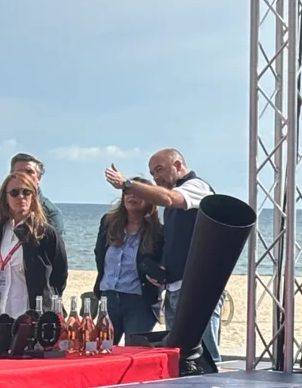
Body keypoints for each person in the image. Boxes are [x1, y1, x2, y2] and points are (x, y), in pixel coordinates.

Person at [104, 149, 219, 375]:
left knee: (205, 354)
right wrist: (163, 267)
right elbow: (176, 241)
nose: (156, 177)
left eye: (159, 170)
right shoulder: (171, 207)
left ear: (178, 165)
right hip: (175, 288)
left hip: (199, 288)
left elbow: (168, 198)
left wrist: (127, 184)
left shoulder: (196, 187)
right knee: (180, 355)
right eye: (152, 174)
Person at [0, 172, 68, 325]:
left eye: (26, 192)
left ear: (33, 196)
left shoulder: (45, 233)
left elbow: (59, 275)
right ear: (6, 198)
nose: (21, 197)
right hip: (2, 314)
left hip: (33, 316)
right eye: (14, 192)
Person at [93, 178, 165, 345]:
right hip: (108, 298)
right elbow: (99, 254)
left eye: (138, 193)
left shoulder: (158, 232)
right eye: (128, 193)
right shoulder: (108, 223)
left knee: (134, 351)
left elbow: (164, 263)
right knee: (101, 350)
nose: (132, 197)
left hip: (139, 302)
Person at [9, 153, 64, 239]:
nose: (24, 176)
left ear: (39, 178)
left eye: (29, 172)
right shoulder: (2, 209)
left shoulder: (51, 215)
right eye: (19, 172)